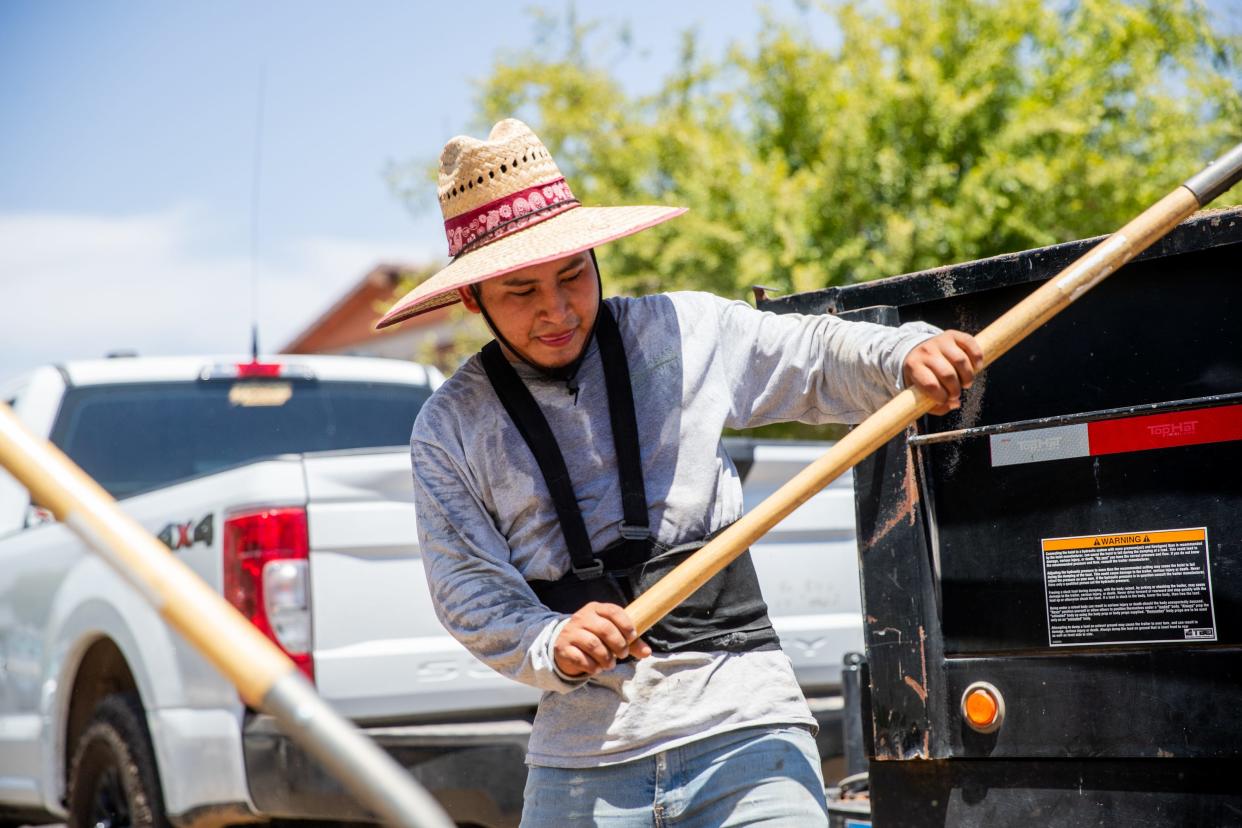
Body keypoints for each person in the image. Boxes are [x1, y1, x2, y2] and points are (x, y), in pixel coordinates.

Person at [376, 119, 982, 826]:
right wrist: (551, 641)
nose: (558, 309)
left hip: (746, 730)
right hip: (582, 763)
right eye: (521, 291)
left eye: (574, 274)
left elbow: (813, 354)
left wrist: (904, 355)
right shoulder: (449, 427)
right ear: (473, 299)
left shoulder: (682, 332)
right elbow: (468, 591)